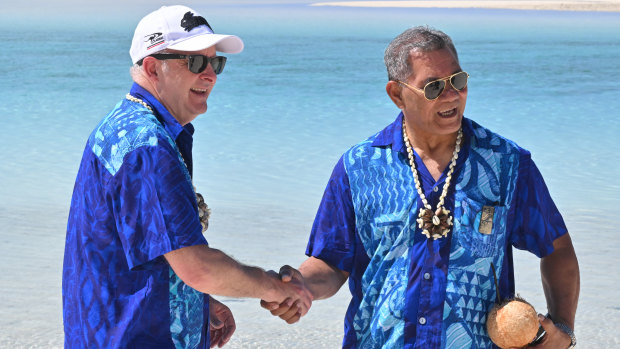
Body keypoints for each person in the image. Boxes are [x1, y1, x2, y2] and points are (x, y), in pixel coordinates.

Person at [262, 26, 579, 349]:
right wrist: (301, 287)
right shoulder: (358, 167)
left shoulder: (506, 164)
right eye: (433, 87)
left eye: (458, 81)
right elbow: (331, 262)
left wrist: (563, 329)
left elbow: (558, 251)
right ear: (397, 94)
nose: (452, 95)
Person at [62, 5, 312, 348]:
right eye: (195, 62)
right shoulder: (146, 145)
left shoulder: (134, 130)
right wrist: (273, 286)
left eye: (216, 63)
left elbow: (142, 252)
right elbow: (197, 267)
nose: (210, 75)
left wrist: (198, 301)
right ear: (152, 67)